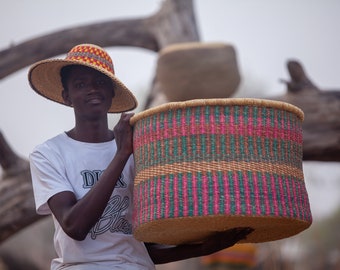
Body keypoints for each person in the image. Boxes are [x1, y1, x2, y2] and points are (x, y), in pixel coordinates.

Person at [28, 43, 253, 270]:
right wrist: (121, 155)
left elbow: (139, 248)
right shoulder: (49, 154)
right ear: (67, 97)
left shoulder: (142, 150)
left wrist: (203, 248)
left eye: (100, 82)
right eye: (80, 84)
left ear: (112, 92)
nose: (92, 89)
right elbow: (75, 226)